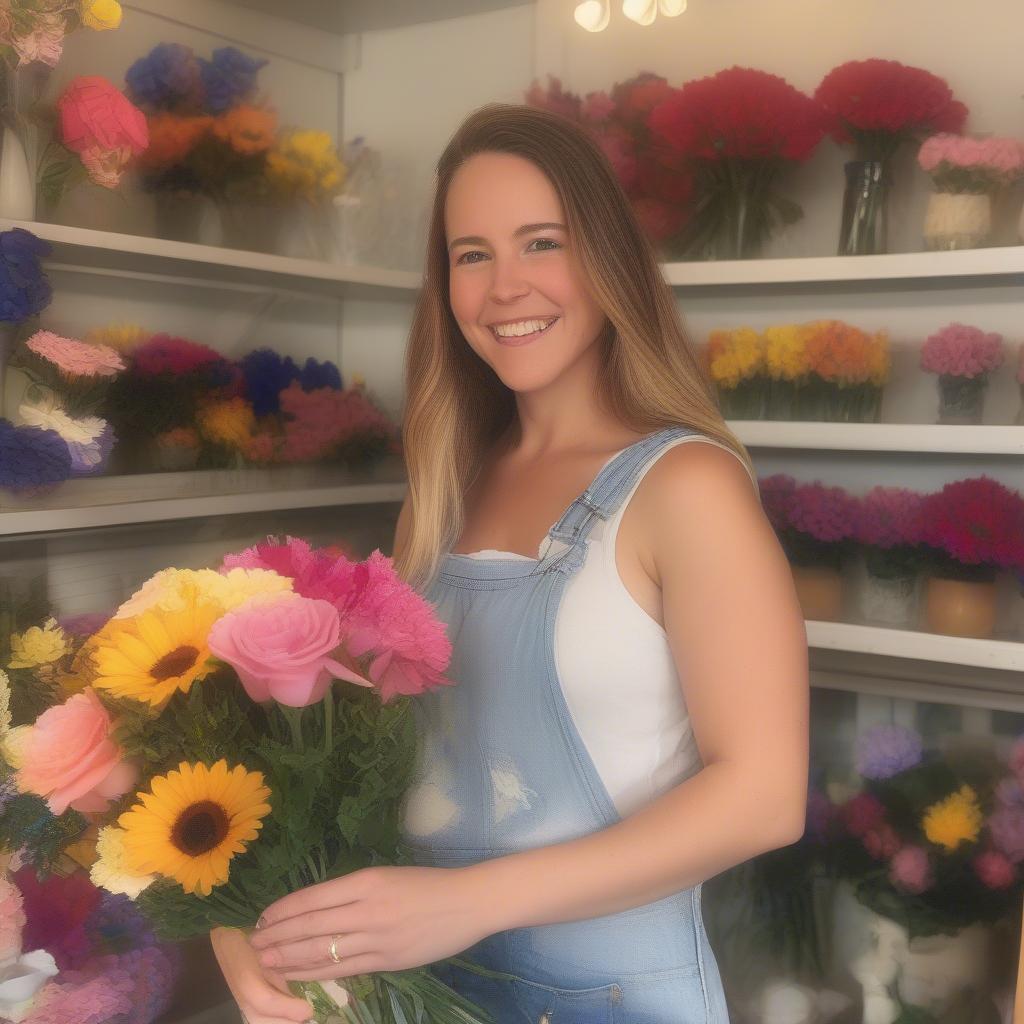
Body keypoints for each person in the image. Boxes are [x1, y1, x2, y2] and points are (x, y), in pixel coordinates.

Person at [212, 101, 809, 1024]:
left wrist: (464, 904)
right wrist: (249, 926)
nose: (504, 289)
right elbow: (376, 765)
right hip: (420, 992)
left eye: (542, 243)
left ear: (608, 258)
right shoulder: (443, 490)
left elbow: (764, 798)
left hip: (615, 1001)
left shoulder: (686, 486)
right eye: (472, 254)